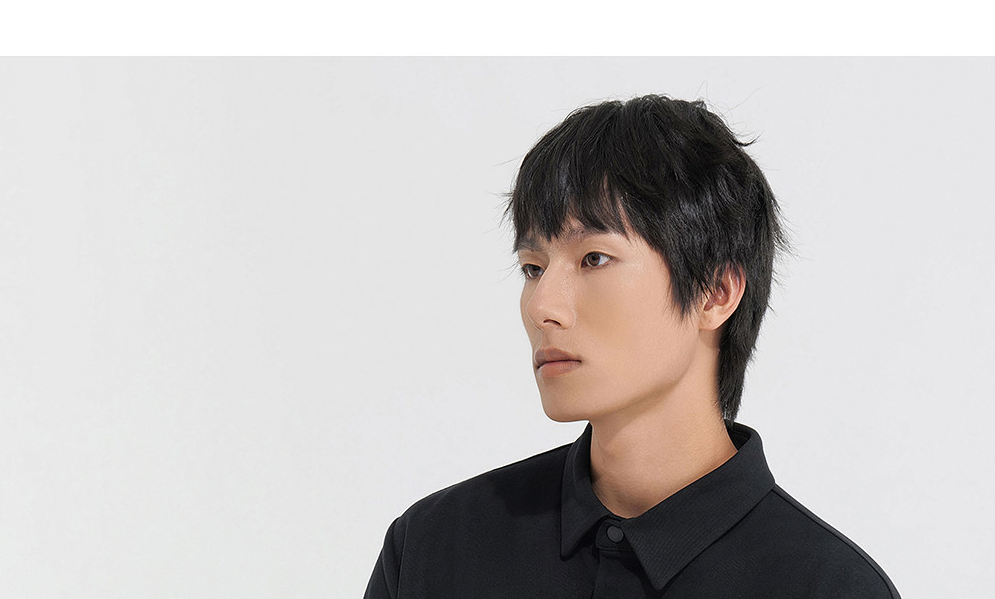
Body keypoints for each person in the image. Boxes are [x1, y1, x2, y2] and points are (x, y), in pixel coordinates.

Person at [364, 95, 901, 597]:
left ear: (716, 292)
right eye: (532, 268)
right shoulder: (434, 549)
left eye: (594, 258)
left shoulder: (829, 586)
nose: (542, 306)